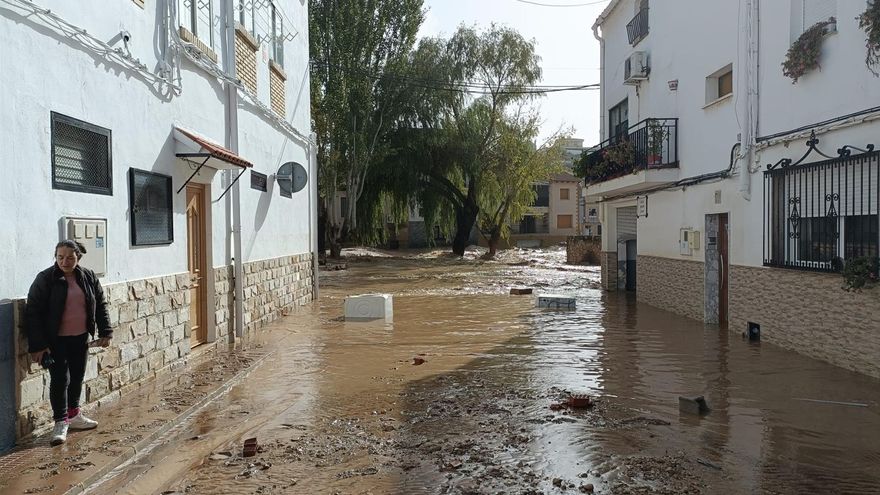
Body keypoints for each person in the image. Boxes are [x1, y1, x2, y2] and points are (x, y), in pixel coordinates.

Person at [26, 240, 113, 446]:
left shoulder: (88, 276)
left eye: (70, 257)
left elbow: (100, 304)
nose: (65, 261)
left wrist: (106, 332)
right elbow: (33, 312)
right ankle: (60, 422)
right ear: (55, 257)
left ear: (78, 258)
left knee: (76, 377)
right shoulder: (45, 279)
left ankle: (74, 415)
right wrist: (38, 345)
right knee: (60, 380)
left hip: (80, 338)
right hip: (55, 341)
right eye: (60, 257)